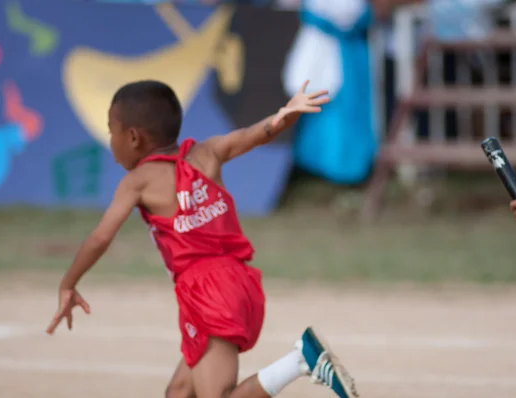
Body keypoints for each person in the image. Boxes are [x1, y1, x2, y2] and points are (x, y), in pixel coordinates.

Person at [45, 79, 358, 398]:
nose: (111, 141)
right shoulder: (208, 153)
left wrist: (68, 283)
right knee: (179, 392)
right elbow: (256, 134)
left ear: (134, 137)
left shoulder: (138, 181)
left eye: (112, 131)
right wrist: (286, 115)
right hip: (238, 281)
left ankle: (300, 361)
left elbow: (100, 238)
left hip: (208, 292)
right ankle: (299, 360)